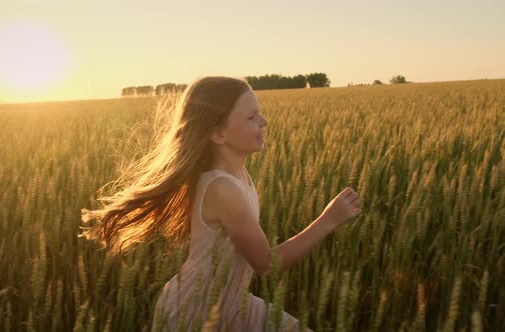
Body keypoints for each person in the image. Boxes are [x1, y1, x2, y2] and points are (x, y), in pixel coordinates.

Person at [80, 76, 363, 332]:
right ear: (217, 134)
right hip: (197, 312)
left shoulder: (237, 176)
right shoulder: (222, 188)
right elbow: (266, 263)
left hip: (231, 303)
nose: (263, 122)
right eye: (252, 116)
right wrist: (329, 219)